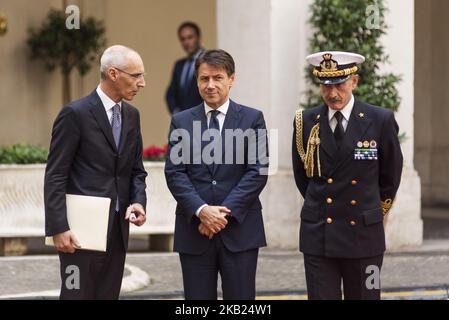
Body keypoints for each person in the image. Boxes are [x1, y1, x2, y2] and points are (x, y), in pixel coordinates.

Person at [292, 51, 403, 300]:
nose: (332, 94)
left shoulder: (379, 119)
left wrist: (374, 213)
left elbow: (390, 176)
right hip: (320, 235)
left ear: (354, 81)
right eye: (325, 85)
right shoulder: (306, 121)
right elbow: (304, 177)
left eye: (339, 84)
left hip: (365, 235)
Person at [44, 45, 148, 299]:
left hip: (118, 231)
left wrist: (138, 200)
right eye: (136, 76)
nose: (142, 83)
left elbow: (136, 170)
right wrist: (58, 227)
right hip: (79, 233)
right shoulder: (74, 114)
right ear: (113, 73)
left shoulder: (132, 116)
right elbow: (56, 174)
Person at [165, 49, 269, 300]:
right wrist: (202, 211)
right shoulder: (181, 121)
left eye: (217, 78)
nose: (210, 85)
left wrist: (221, 214)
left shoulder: (253, 119)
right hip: (195, 232)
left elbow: (257, 172)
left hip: (239, 231)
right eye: (204, 79)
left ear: (231, 79)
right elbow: (175, 173)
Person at [165, 21, 204, 114]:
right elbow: (170, 94)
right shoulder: (179, 65)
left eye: (190, 37)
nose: (186, 42)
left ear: (198, 37)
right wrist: (176, 112)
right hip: (182, 121)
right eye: (183, 39)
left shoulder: (209, 61)